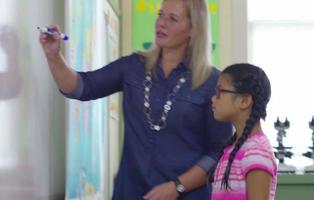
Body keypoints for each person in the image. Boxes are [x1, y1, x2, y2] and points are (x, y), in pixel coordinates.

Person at [39, 0, 232, 199]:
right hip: (131, 192)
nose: (161, 23)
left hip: (186, 194)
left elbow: (220, 151)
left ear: (193, 28)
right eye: (160, 14)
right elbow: (81, 87)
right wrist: (53, 56)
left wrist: (177, 187)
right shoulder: (133, 66)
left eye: (172, 19)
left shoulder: (212, 82)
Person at [211, 63, 277, 200]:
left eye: (219, 92)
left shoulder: (256, 151)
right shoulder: (231, 149)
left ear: (244, 101)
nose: (213, 99)